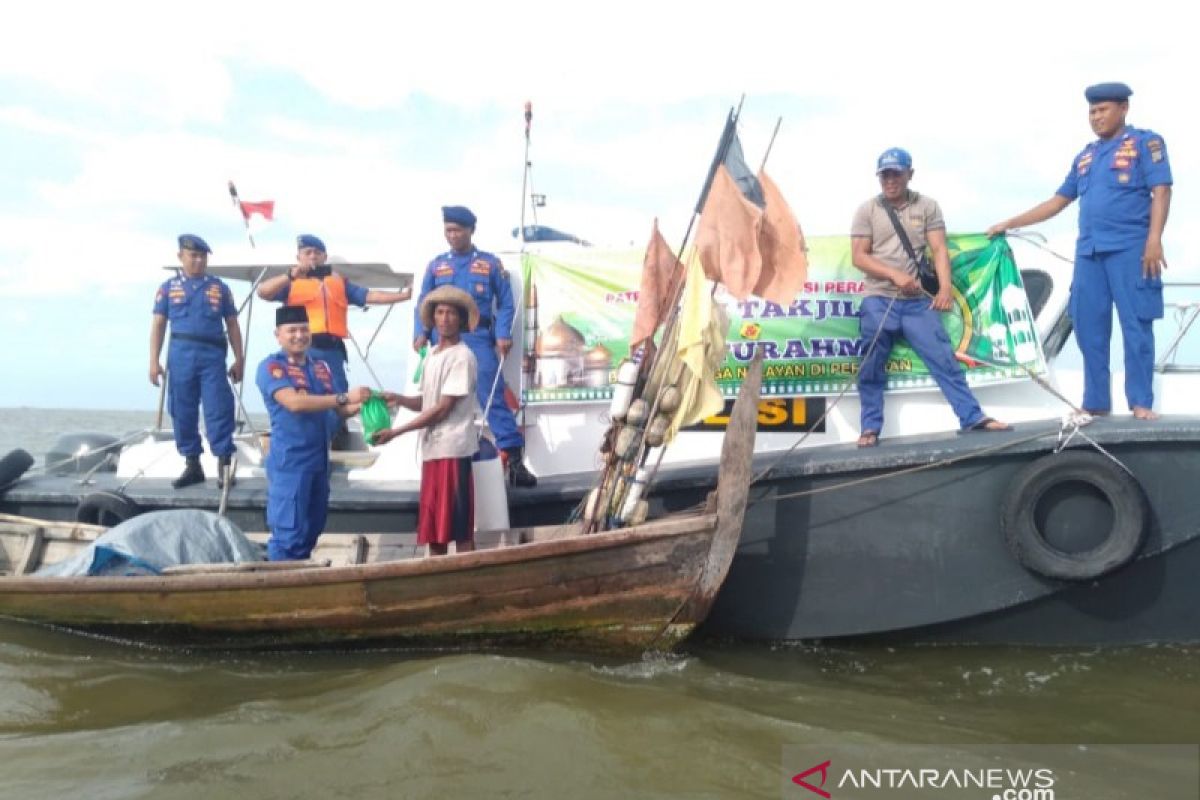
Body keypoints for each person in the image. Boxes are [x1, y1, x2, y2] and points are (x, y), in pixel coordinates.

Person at [987, 82, 1172, 420]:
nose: (1096, 117)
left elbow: (1161, 190)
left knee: (1136, 326)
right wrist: (1010, 222)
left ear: (1123, 108)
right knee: (1089, 328)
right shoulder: (1086, 156)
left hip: (1131, 248)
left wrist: (1154, 239)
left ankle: (1141, 402)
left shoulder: (1146, 143)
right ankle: (1096, 402)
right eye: (1091, 112)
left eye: (1102, 110)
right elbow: (1058, 201)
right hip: (1089, 253)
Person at [851, 148, 1011, 447]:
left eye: (896, 174)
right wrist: (893, 274)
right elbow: (859, 257)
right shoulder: (867, 210)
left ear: (910, 174)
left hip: (916, 301)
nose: (890, 180)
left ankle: (972, 416)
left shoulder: (927, 206)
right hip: (879, 298)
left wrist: (946, 289)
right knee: (871, 360)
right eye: (885, 175)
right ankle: (870, 427)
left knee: (943, 356)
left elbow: (939, 250)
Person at [413, 206, 537, 488]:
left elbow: (505, 303)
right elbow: (423, 301)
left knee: (491, 395)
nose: (452, 236)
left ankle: (515, 460)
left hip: (477, 337)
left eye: (457, 230)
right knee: (435, 398)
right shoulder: (436, 266)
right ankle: (433, 460)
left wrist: (503, 333)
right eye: (448, 230)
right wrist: (420, 332)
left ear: (471, 230)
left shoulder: (489, 264)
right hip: (441, 341)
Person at [256, 305, 370, 561]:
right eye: (292, 330)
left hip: (319, 462)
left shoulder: (321, 367)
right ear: (278, 334)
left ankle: (301, 585)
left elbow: (338, 410)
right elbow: (295, 403)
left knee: (312, 529)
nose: (299, 335)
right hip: (290, 464)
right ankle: (280, 589)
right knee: (288, 535)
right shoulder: (272, 367)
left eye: (304, 329)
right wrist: (343, 397)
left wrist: (364, 405)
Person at [376, 286, 480, 556]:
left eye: (451, 314)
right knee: (436, 527)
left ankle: (468, 579)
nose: (445, 319)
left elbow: (443, 409)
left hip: (453, 450)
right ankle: (438, 577)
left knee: (458, 527)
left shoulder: (462, 357)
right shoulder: (432, 354)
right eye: (440, 313)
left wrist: (397, 432)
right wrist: (398, 398)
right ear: (433, 318)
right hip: (433, 450)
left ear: (460, 319)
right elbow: (427, 401)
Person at [256, 233, 412, 394]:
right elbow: (263, 292)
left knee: (338, 394)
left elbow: (369, 296)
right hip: (303, 348)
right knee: (305, 392)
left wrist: (405, 296)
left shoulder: (338, 282)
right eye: (307, 252)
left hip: (333, 350)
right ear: (298, 257)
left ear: (325, 257)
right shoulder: (290, 283)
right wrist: (289, 276)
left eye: (317, 252)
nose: (313, 256)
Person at [150, 234, 246, 489]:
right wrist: (153, 361)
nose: (198, 260)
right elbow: (159, 324)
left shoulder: (220, 288)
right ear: (180, 256)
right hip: (180, 353)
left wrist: (240, 359)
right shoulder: (168, 288)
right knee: (182, 410)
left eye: (203, 256)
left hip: (212, 354)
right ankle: (192, 464)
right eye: (193, 255)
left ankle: (224, 465)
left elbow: (233, 325)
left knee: (218, 408)